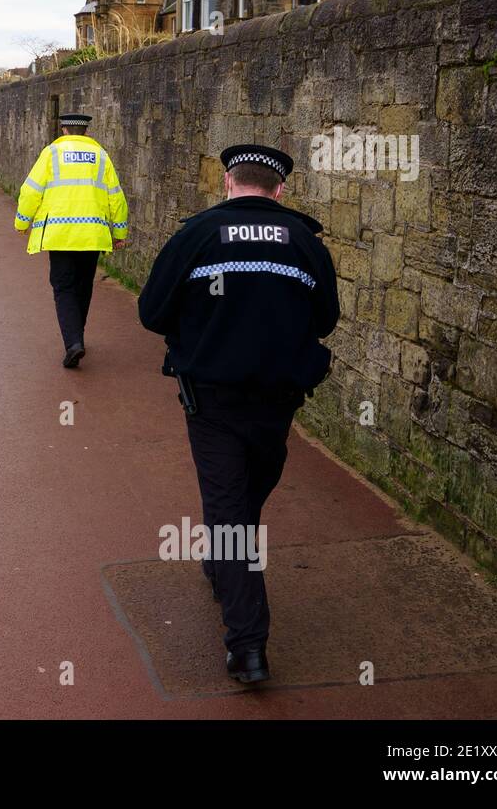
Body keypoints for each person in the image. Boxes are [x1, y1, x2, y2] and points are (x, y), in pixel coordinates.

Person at [137, 144, 340, 685]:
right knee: (243, 499)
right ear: (279, 190)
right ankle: (247, 642)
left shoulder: (195, 236)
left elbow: (152, 313)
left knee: (230, 512)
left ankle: (229, 570)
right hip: (278, 400)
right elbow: (327, 319)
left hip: (213, 399)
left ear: (227, 182)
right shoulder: (304, 242)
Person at [14, 112, 129, 369]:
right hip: (92, 234)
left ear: (64, 130)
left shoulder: (51, 153)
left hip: (60, 234)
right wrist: (119, 233)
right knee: (83, 285)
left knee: (63, 286)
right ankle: (78, 336)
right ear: (86, 132)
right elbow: (116, 197)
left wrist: (22, 222)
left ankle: (73, 342)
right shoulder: (101, 156)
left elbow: (31, 190)